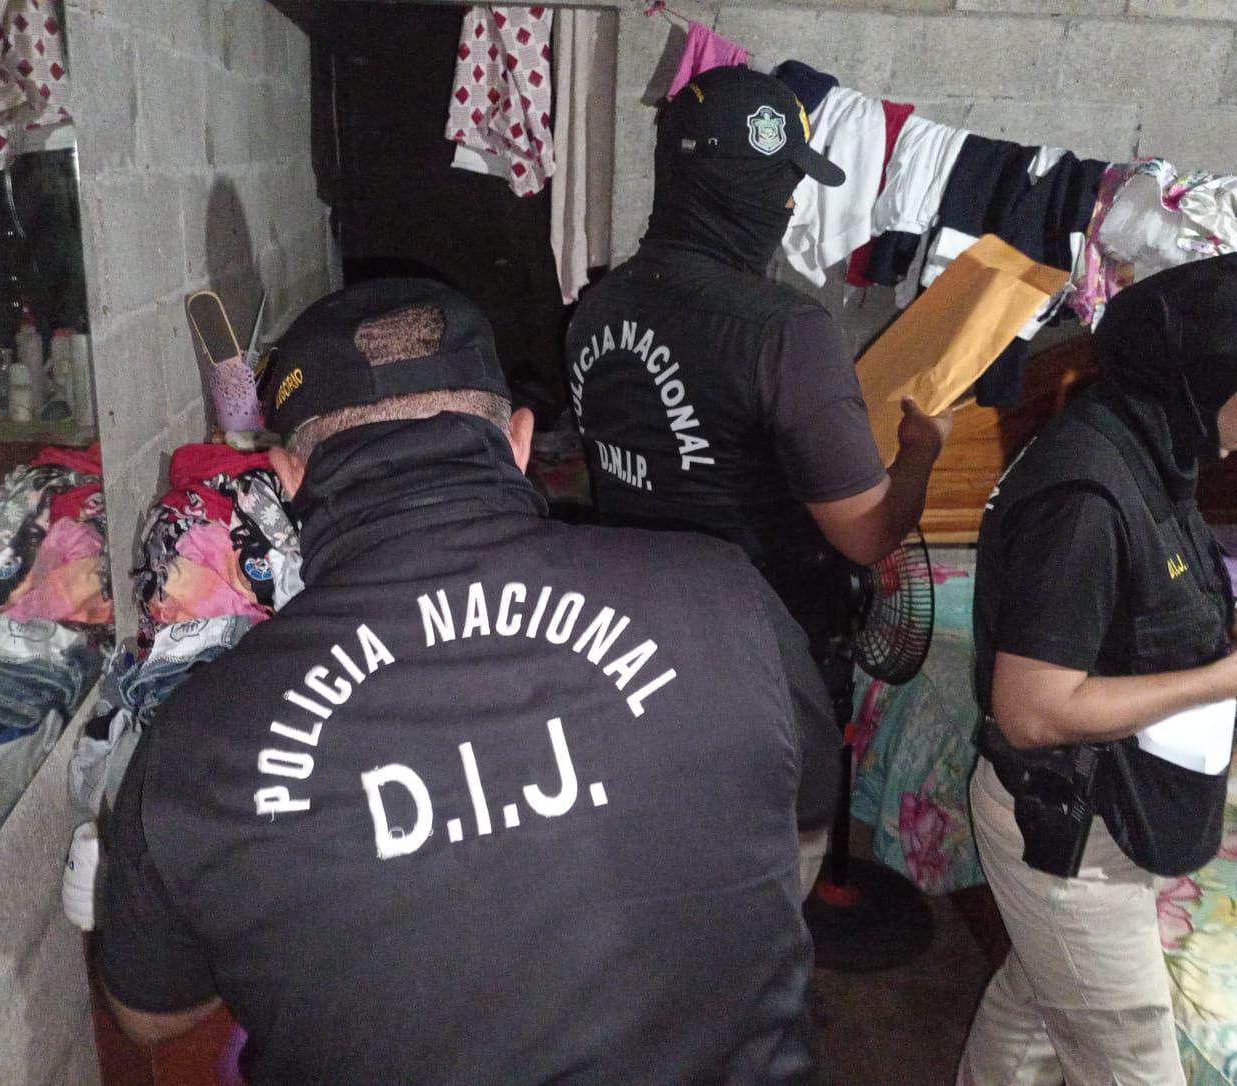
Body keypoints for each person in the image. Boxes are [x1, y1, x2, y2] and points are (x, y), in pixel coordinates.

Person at [98, 278, 841, 1085]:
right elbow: (801, 828)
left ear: (287, 478)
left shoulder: (202, 739)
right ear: (519, 440)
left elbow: (149, 1014)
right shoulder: (721, 596)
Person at [565, 65, 952, 668]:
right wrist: (922, 448)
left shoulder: (595, 307)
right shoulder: (784, 333)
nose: (792, 201)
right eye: (783, 180)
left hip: (627, 643)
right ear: (742, 187)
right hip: (752, 656)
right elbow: (868, 534)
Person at [958, 254, 1237, 1086]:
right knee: (1132, 1060)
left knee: (1036, 1008)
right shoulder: (1086, 495)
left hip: (1108, 809)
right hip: (1071, 828)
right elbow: (1032, 712)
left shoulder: (1158, 449)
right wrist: (1224, 679)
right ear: (1204, 378)